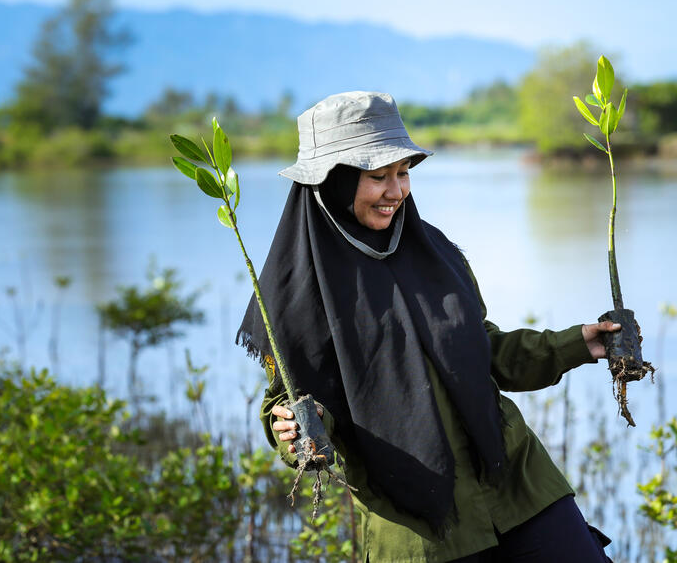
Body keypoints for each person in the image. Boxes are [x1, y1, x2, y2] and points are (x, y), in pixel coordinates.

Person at [237, 91, 620, 562]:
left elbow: (486, 352)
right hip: (419, 527)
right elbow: (292, 400)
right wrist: (292, 431)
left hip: (517, 484)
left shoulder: (434, 253)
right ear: (331, 184)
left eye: (404, 173)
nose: (396, 192)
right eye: (378, 177)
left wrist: (579, 343)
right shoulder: (293, 295)